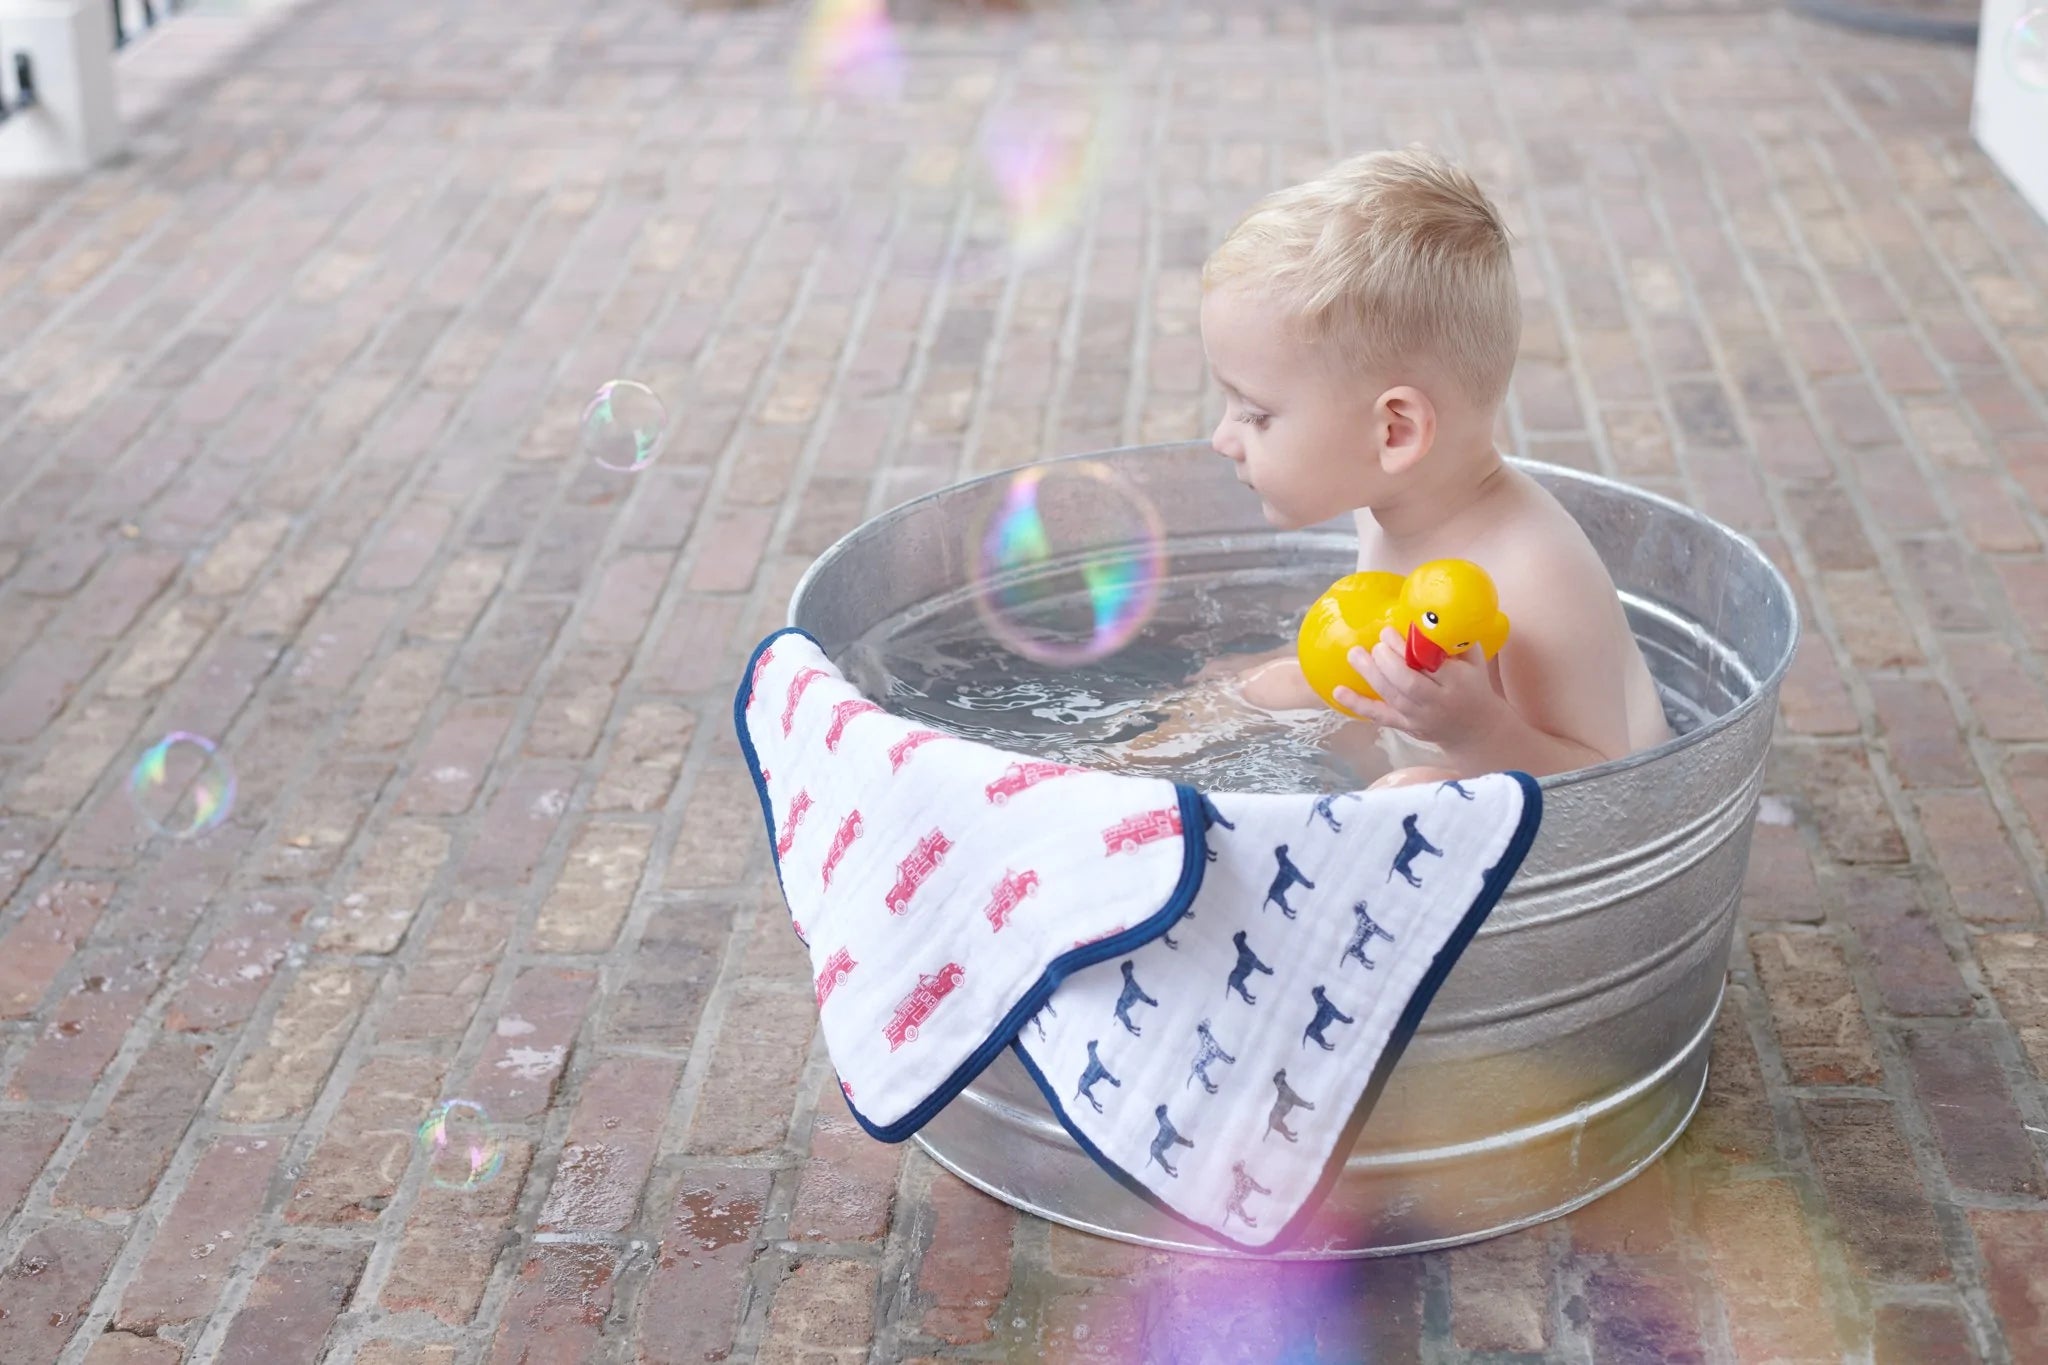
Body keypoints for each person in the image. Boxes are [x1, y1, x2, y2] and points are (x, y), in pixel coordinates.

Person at [1199, 146, 1670, 786]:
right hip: (1446, 746)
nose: (1221, 438)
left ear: (1395, 431)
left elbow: (1606, 787)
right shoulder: (1386, 506)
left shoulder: (1532, 574)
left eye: (1255, 415)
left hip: (1565, 819)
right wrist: (1273, 679)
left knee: (1400, 795)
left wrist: (1478, 731)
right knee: (1246, 688)